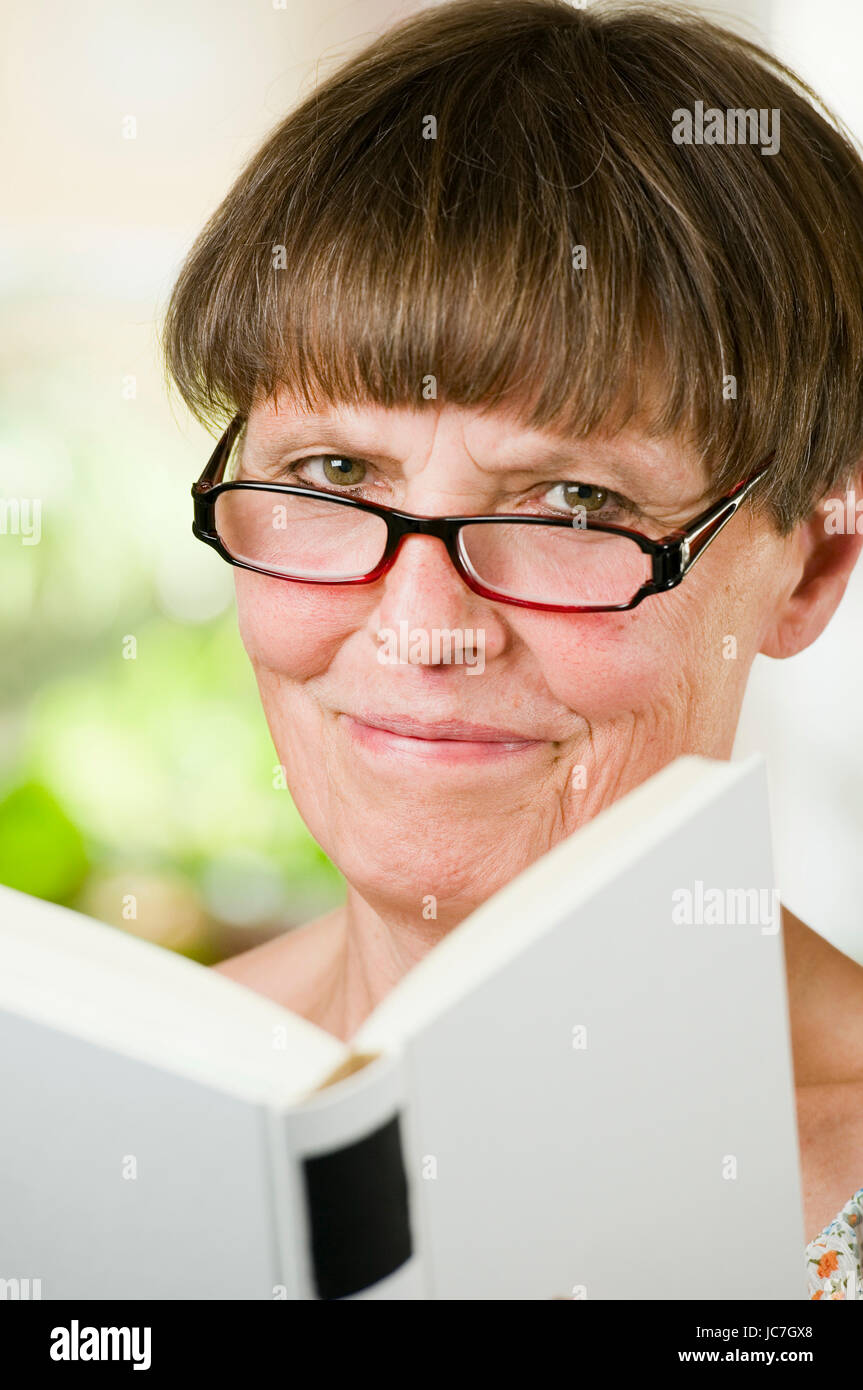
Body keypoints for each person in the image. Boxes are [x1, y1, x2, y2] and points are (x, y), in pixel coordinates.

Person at [161, 0, 863, 1298]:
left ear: (812, 563)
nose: (422, 624)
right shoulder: (108, 1098)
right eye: (331, 469)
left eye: (575, 504)